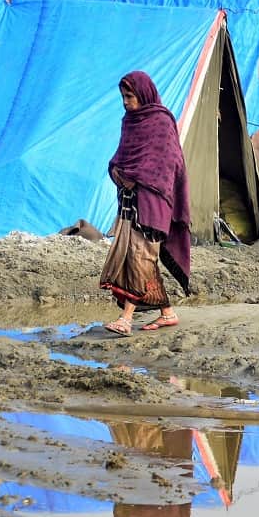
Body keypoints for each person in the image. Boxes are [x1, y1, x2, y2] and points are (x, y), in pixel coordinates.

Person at [100, 71, 191, 336]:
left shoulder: (161, 122)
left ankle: (125, 319)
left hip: (152, 204)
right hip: (129, 204)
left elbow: (169, 165)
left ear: (143, 94)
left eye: (129, 96)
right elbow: (122, 157)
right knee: (139, 259)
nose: (126, 102)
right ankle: (168, 313)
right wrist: (117, 171)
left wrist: (137, 178)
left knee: (140, 257)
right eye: (123, 97)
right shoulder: (129, 122)